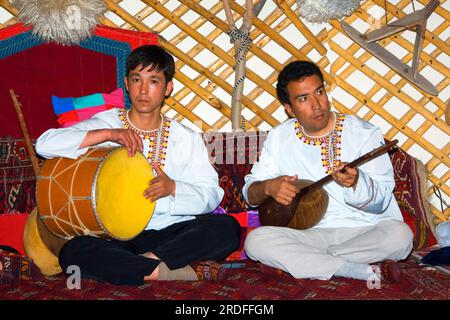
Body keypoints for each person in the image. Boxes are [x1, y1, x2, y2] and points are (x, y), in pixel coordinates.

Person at [36, 45, 241, 285]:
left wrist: (174, 188)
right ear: (127, 83)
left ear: (168, 88)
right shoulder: (108, 122)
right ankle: (163, 271)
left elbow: (211, 195)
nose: (143, 90)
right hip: (117, 237)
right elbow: (44, 144)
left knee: (227, 228)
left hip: (172, 233)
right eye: (137, 79)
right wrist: (107, 134)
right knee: (73, 251)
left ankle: (144, 265)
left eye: (153, 81)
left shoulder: (185, 137)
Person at [243, 60, 413, 284]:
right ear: (289, 109)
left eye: (319, 92)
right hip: (309, 235)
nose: (317, 105)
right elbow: (250, 194)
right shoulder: (279, 138)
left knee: (401, 237)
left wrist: (356, 182)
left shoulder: (364, 133)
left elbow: (381, 201)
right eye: (303, 99)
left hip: (365, 231)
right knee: (255, 241)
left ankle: (317, 263)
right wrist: (268, 187)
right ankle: (351, 267)